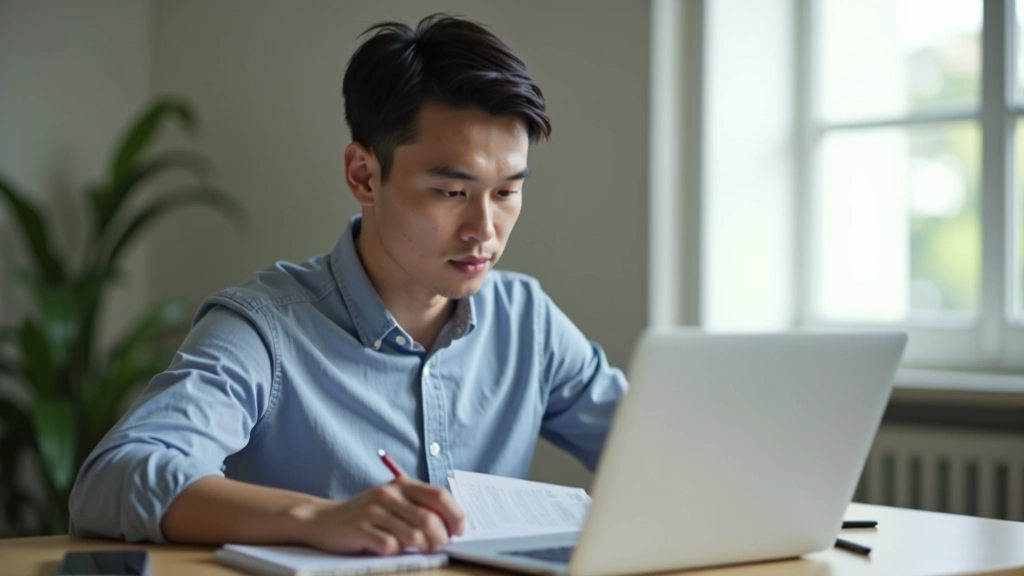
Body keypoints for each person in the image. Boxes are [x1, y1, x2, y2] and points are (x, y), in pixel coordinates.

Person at [69, 14, 628, 556]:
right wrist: (315, 518)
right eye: (452, 193)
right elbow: (114, 478)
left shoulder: (526, 319)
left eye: (506, 192)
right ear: (364, 175)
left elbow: (668, 453)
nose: (484, 230)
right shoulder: (266, 329)